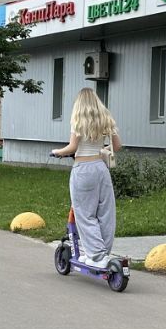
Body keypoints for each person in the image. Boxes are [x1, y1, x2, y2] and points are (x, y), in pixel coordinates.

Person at [50, 88, 123, 268]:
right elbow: (117, 146)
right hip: (101, 168)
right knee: (105, 213)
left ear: (79, 104)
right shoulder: (105, 119)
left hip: (83, 170)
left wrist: (57, 152)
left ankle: (96, 256)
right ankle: (100, 253)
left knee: (85, 214)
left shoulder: (78, 120)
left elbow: (72, 148)